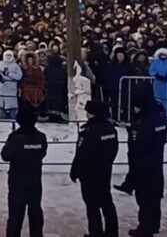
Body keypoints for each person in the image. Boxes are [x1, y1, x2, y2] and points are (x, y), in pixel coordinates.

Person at [70, 101, 119, 237]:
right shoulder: (110, 129)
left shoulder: (88, 131)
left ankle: (95, 232)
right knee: (107, 202)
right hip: (104, 171)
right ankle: (112, 232)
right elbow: (114, 150)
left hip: (89, 174)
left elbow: (81, 153)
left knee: (92, 205)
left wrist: (75, 170)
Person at [127, 82, 167, 237]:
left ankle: (146, 227)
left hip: (146, 161)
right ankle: (153, 224)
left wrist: (135, 132)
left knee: (146, 197)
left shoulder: (150, 116)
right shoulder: (156, 111)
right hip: (153, 161)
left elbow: (147, 139)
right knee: (153, 196)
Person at [1, 109, 47, 237]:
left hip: (18, 181)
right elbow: (42, 153)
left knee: (15, 215)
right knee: (35, 212)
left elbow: (5, 155)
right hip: (35, 180)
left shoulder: (15, 138)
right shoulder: (41, 137)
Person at [0, 50, 23, 119]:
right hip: (1, 87)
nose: (8, 57)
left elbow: (19, 76)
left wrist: (9, 74)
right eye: (7, 55)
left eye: (10, 55)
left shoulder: (16, 66)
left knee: (12, 108)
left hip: (11, 88)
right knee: (1, 106)